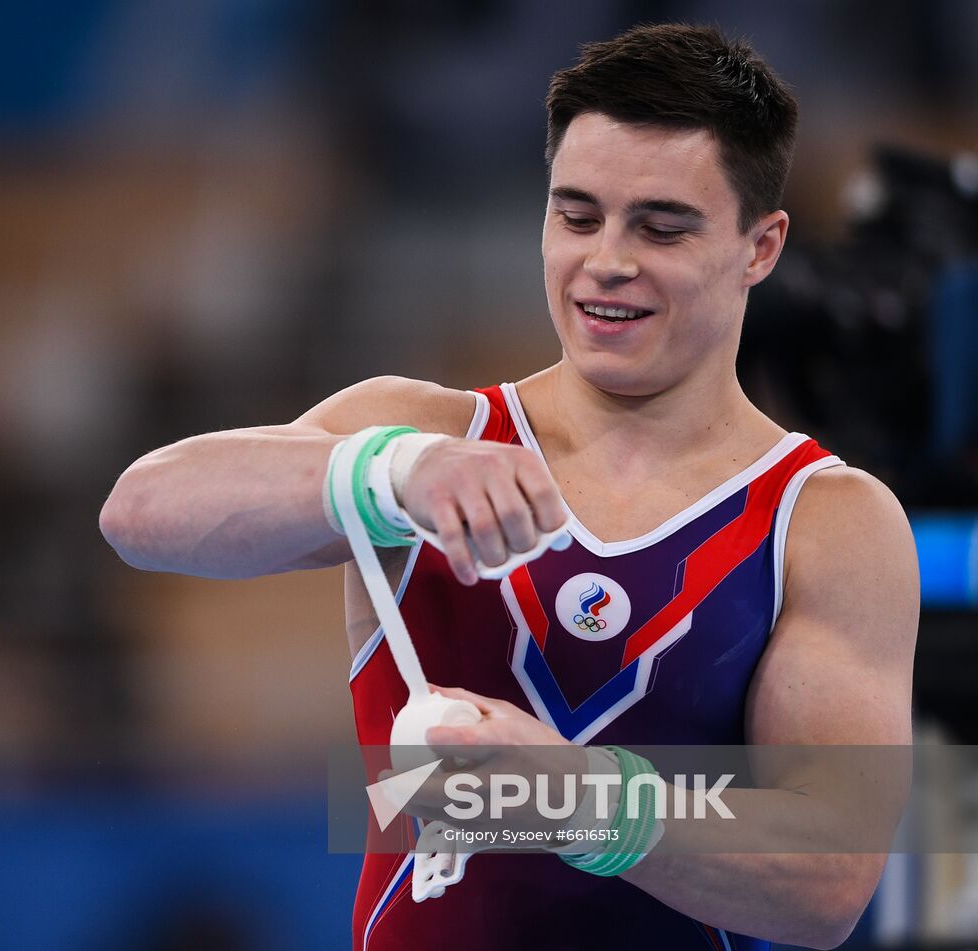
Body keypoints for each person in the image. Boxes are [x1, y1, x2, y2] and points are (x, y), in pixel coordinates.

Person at [99, 23, 918, 951]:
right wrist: (387, 473)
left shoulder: (823, 521)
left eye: (661, 226)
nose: (607, 261)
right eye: (576, 216)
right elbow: (139, 513)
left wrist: (571, 799)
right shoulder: (427, 431)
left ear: (760, 246)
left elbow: (827, 880)